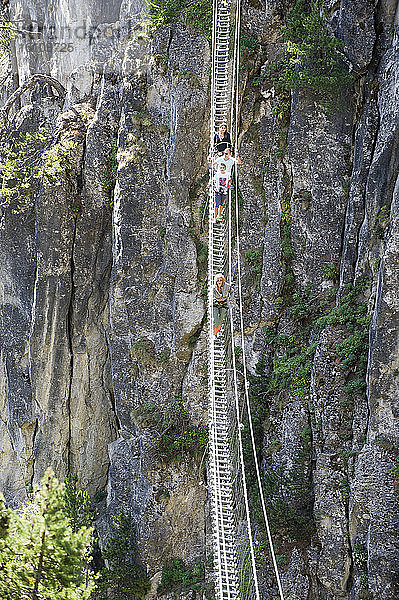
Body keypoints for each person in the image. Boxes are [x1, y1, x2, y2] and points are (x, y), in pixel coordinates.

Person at [213, 273, 230, 338]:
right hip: (215, 304)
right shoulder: (214, 288)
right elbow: (211, 295)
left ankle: (217, 332)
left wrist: (231, 299)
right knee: (216, 320)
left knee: (221, 319)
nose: (219, 282)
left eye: (220, 280)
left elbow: (231, 291)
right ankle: (214, 334)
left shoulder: (227, 286)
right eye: (218, 280)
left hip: (224, 304)